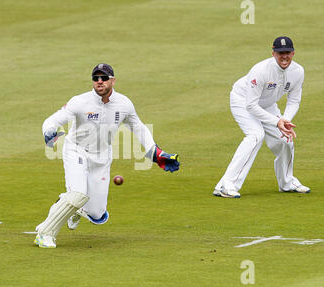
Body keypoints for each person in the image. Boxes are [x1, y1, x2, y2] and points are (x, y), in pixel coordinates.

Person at [34, 63, 180, 248]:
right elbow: (53, 119)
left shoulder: (124, 104)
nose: (99, 82)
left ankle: (73, 206)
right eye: (96, 78)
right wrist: (50, 130)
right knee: (78, 194)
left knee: (97, 215)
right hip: (76, 150)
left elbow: (139, 127)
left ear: (113, 80)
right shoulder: (80, 101)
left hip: (102, 157)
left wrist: (155, 152)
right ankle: (45, 233)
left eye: (104, 78)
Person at [213, 36, 310, 198]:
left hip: (268, 105)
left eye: (287, 52)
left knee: (285, 139)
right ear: (273, 53)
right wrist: (276, 121)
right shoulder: (261, 70)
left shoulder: (298, 71)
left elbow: (294, 100)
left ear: (293, 53)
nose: (284, 56)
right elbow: (251, 106)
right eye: (280, 53)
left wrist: (285, 120)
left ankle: (287, 182)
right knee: (256, 135)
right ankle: (226, 185)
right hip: (243, 100)